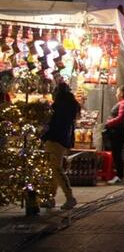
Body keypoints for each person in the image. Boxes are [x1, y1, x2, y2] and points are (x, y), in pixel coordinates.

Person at [41, 82, 79, 210]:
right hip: (62, 139)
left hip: (55, 139)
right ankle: (50, 197)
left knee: (56, 169)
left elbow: (54, 124)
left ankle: (69, 197)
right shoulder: (69, 105)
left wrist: (44, 134)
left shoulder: (59, 106)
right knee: (54, 169)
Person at [104, 86, 124, 185]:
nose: (116, 94)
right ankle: (118, 174)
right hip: (118, 130)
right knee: (116, 153)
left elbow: (120, 118)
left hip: (117, 131)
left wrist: (108, 123)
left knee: (117, 153)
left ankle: (119, 175)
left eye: (117, 92)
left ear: (122, 93)